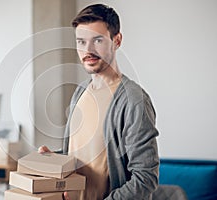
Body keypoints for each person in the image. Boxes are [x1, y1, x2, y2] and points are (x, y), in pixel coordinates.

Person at [38, 4, 159, 200]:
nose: (88, 50)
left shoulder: (134, 100)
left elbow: (146, 178)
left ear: (116, 40)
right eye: (81, 42)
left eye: (98, 40)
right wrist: (54, 158)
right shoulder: (80, 92)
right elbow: (82, 156)